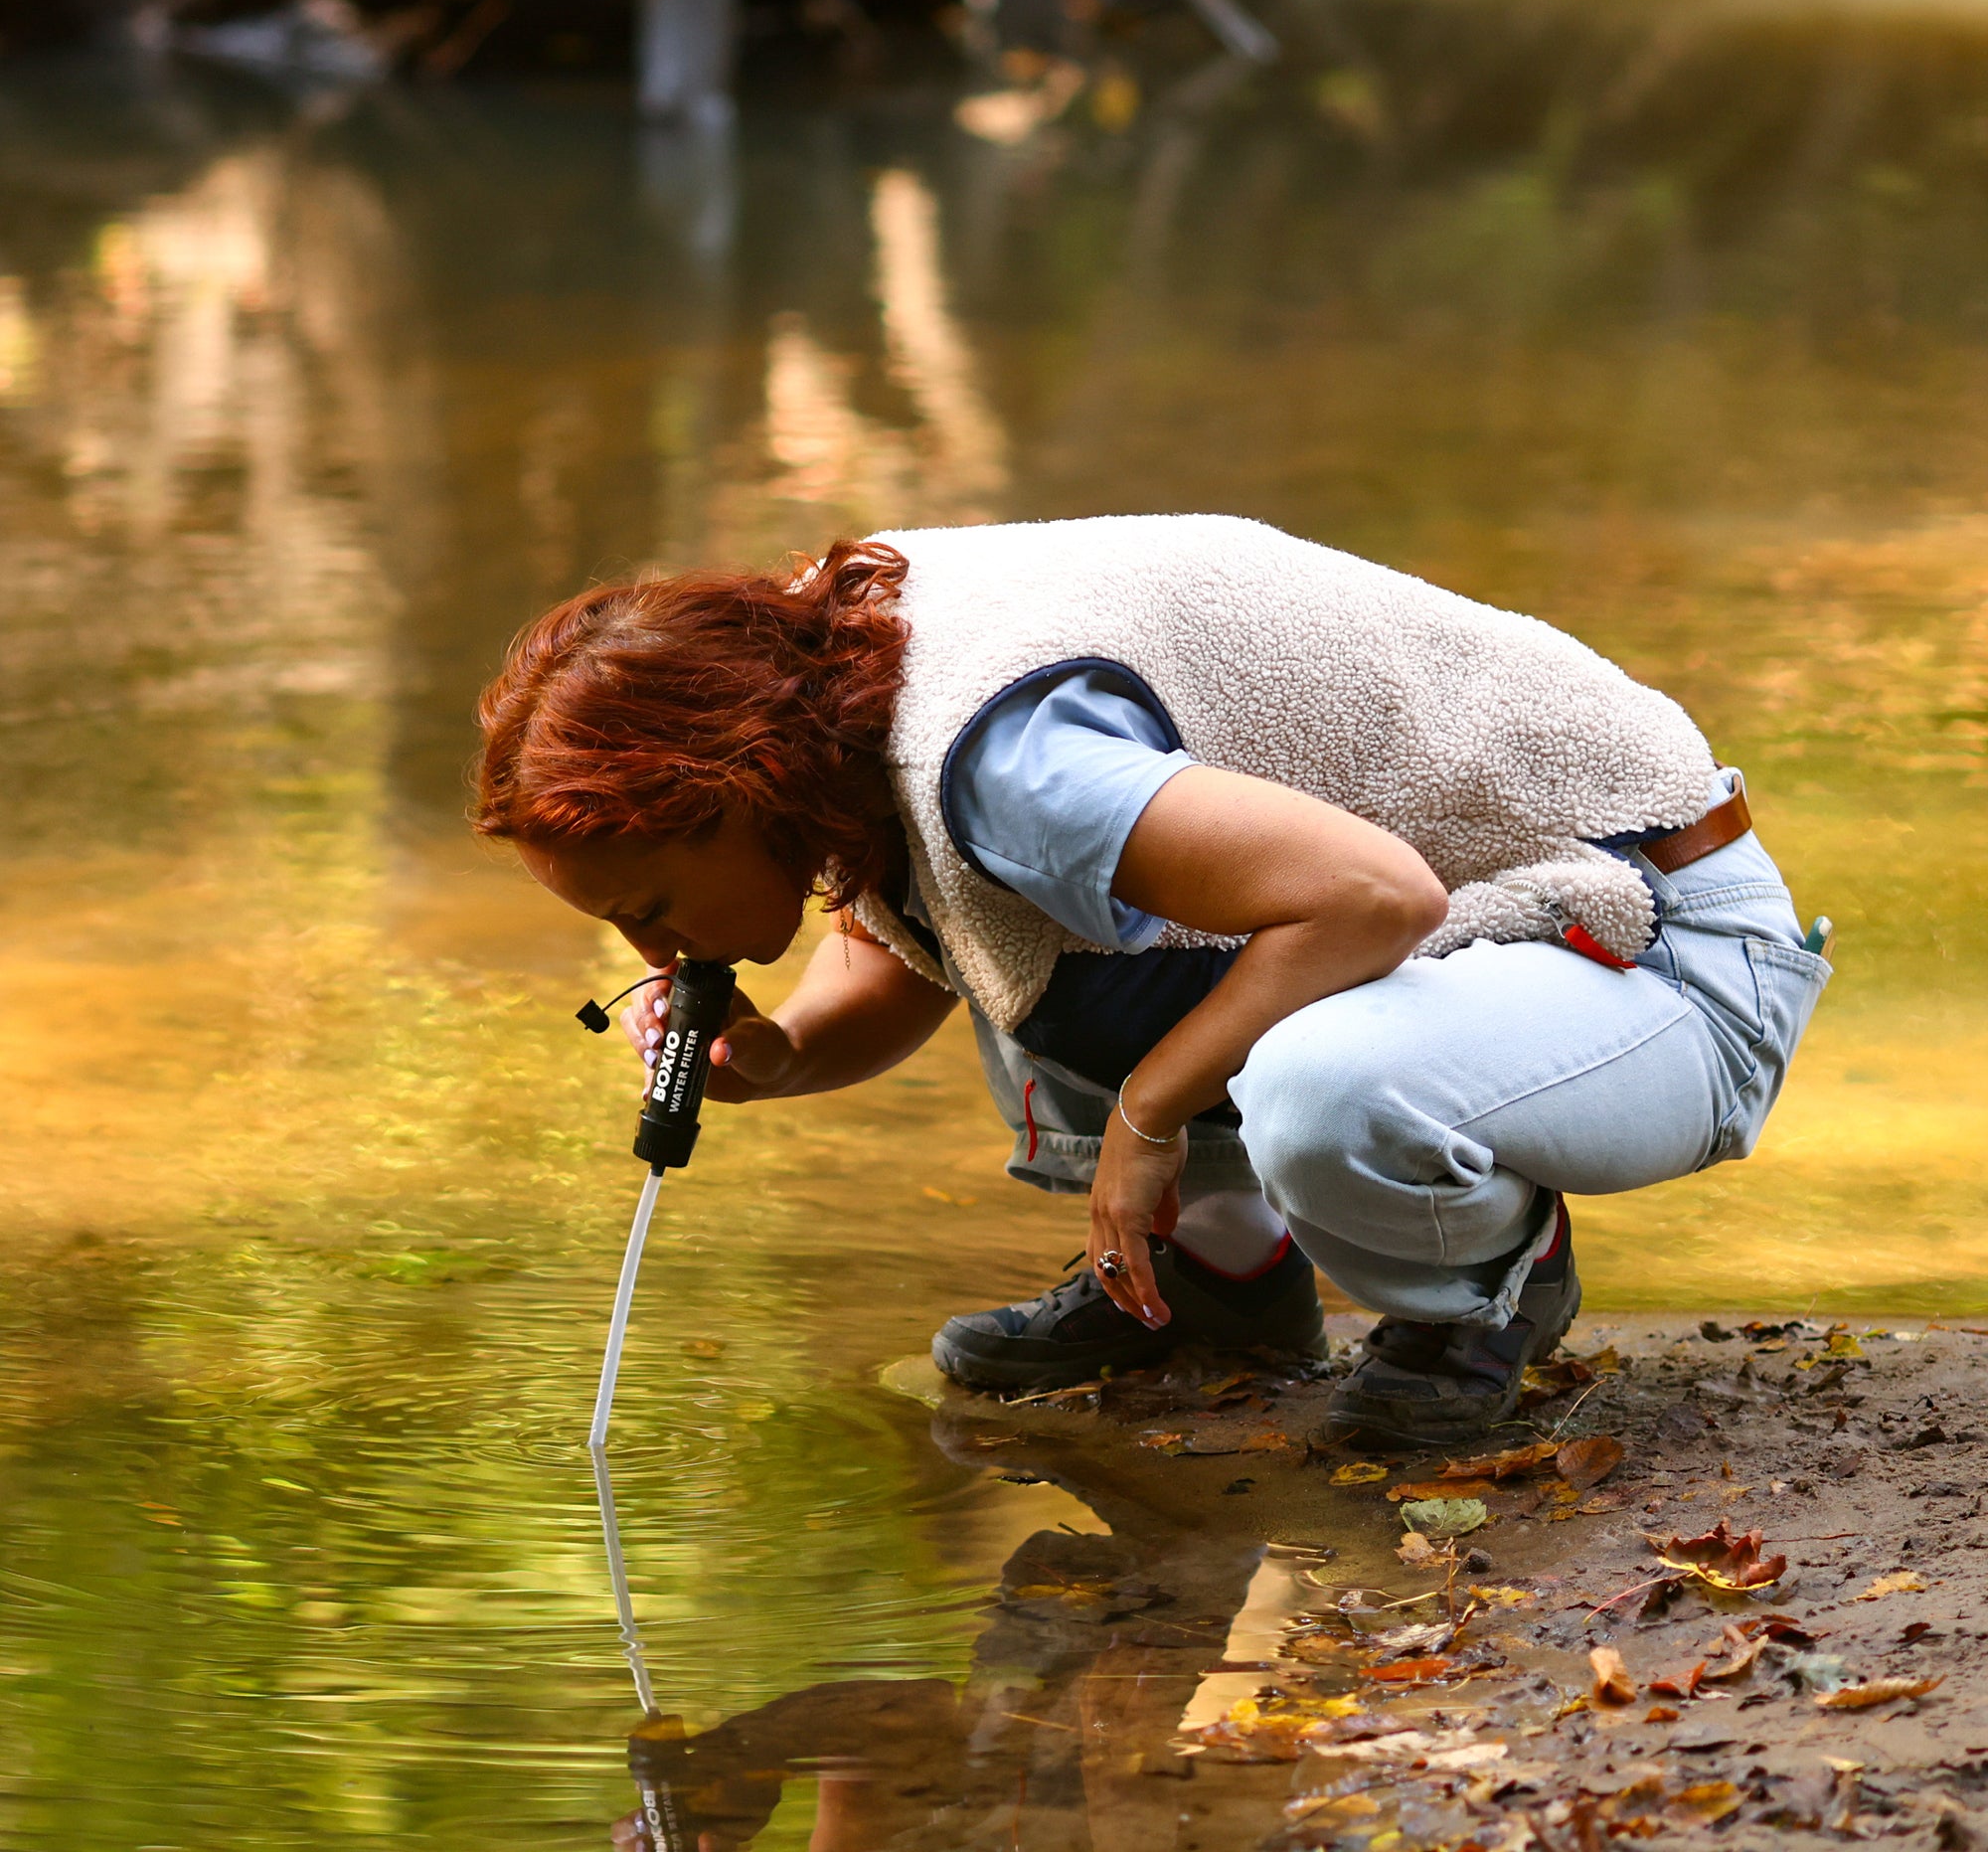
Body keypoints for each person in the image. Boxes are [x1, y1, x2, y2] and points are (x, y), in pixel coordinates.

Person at [474, 515, 1830, 1442]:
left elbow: (1374, 898)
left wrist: (1147, 1118)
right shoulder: (829, 682)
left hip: (1666, 953)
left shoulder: (1011, 768)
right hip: (1480, 939)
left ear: (740, 787)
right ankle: (1215, 1281)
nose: (654, 959)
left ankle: (1477, 1294)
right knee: (1038, 931)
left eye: (652, 911)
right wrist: (778, 1058)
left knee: (1315, 1085)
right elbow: (924, 931)